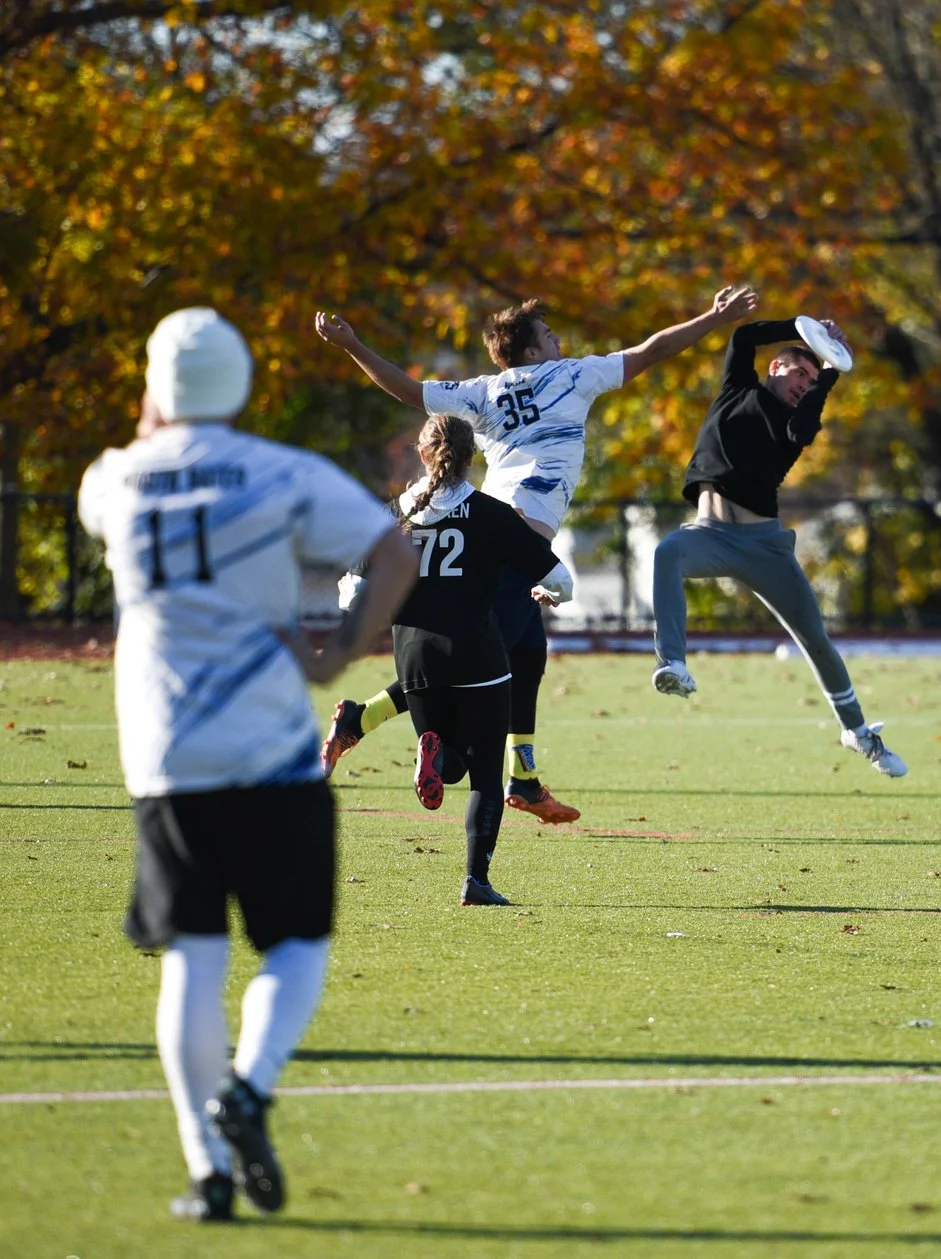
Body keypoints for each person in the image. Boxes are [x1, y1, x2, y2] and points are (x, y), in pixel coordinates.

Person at [79, 307, 418, 1223]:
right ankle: (253, 1086)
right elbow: (393, 552)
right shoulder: (282, 471)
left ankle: (207, 1171)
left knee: (190, 958)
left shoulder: (113, 479)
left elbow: (128, 482)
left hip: (166, 754)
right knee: (298, 942)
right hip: (271, 746)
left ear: (155, 387)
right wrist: (342, 649)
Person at [312, 288, 758, 819]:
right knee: (478, 669)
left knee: (527, 654)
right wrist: (714, 316)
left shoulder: (484, 391)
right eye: (548, 336)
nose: (558, 341)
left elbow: (409, 391)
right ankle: (364, 722)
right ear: (529, 351)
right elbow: (652, 350)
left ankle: (522, 777)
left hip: (493, 541)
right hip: (513, 547)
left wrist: (353, 346)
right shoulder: (573, 377)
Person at [650, 316, 906, 777]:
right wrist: (803, 328)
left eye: (812, 381)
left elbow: (804, 431)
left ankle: (858, 733)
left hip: (763, 546)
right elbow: (742, 336)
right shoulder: (736, 388)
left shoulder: (794, 421)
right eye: (799, 375)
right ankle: (673, 664)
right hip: (708, 535)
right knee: (668, 551)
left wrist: (829, 371)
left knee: (816, 642)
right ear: (775, 367)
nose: (804, 386)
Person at [380, 415, 575, 905]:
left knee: (450, 767)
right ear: (474, 458)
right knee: (486, 773)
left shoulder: (395, 514)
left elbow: (351, 592)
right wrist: (546, 593)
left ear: (423, 454)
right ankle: (476, 882)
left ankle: (436, 752)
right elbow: (562, 581)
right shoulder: (491, 513)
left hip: (413, 656)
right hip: (476, 652)